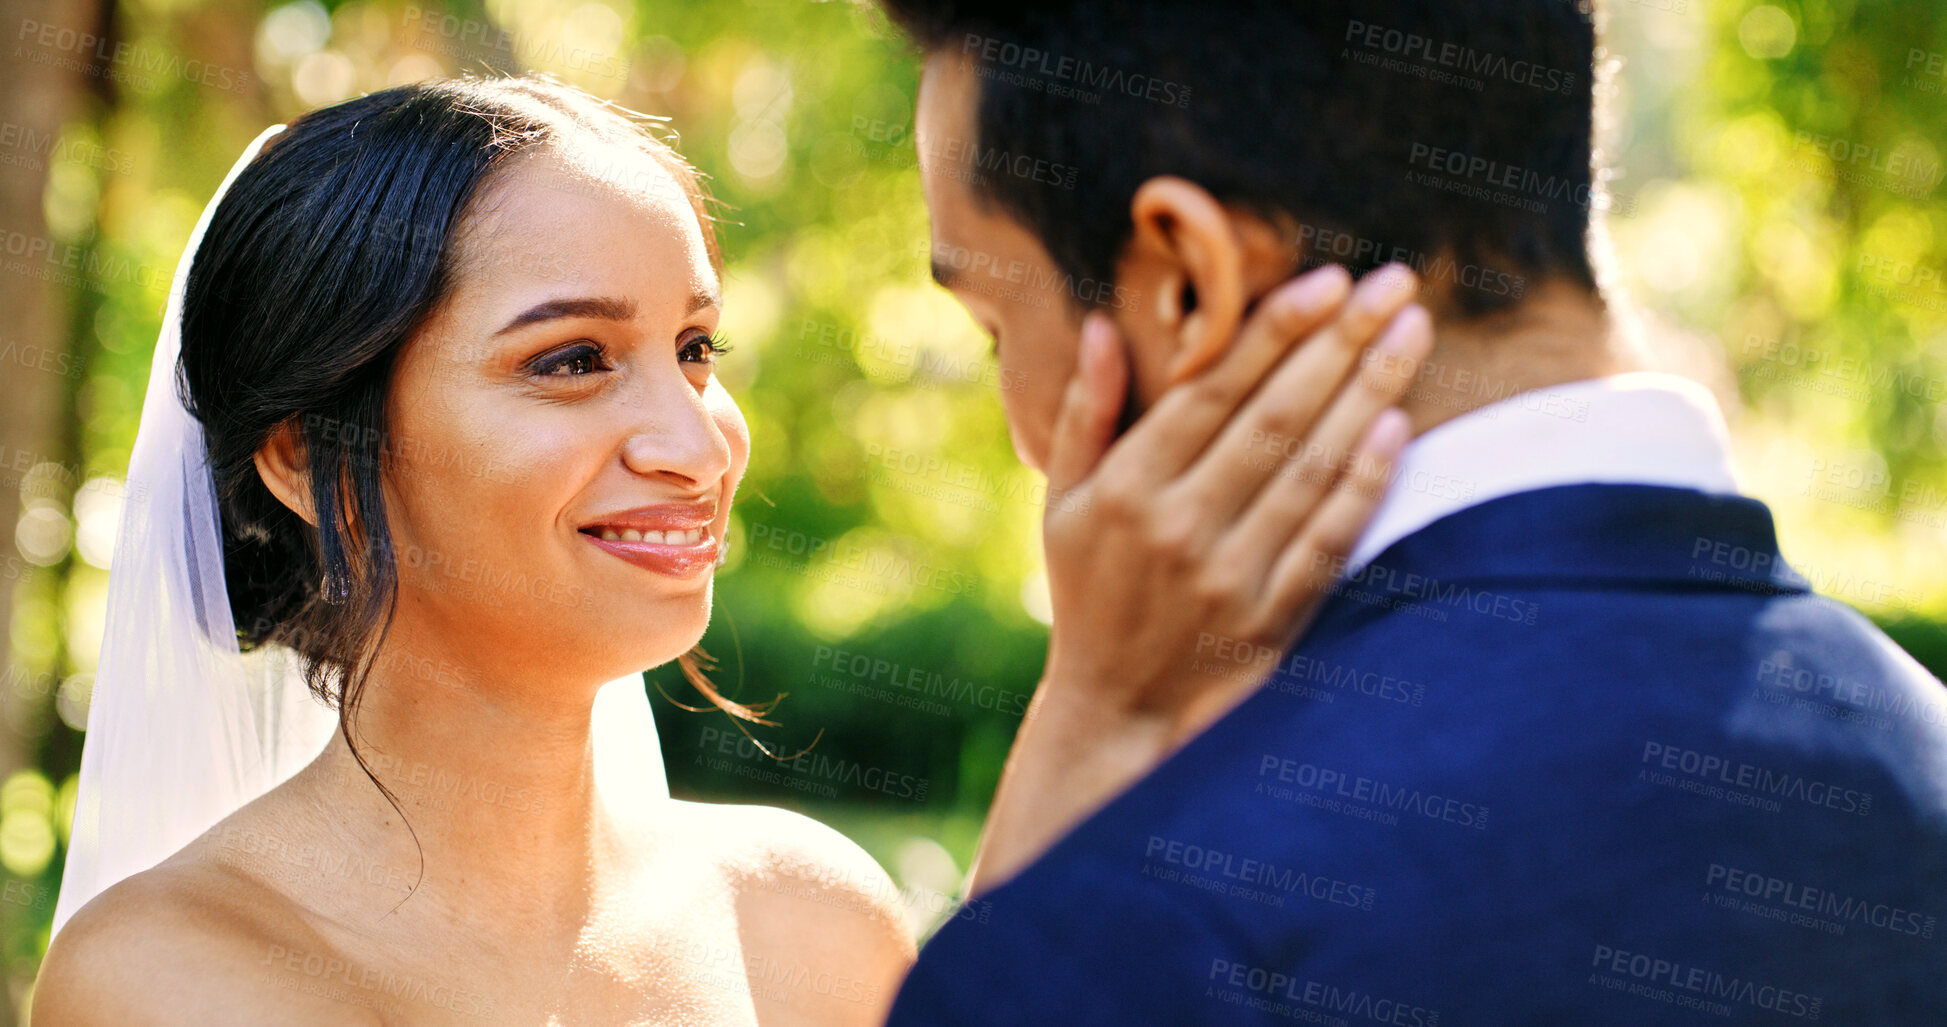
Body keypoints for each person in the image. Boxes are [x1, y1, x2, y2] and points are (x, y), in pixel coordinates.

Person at [31, 74, 1418, 1023]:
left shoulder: (808, 915)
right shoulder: (175, 976)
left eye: (694, 349)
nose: (695, 443)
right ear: (302, 455)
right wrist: (1094, 701)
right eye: (572, 359)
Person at [876, 0, 1947, 1022]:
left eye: (992, 327)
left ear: (1186, 284)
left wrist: (1089, 732)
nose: (1024, 433)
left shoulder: (1126, 933)